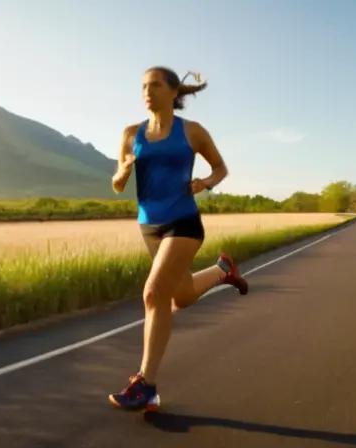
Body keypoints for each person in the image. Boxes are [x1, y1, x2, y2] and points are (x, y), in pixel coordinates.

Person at [108, 66, 249, 412]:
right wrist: (123, 172)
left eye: (155, 85)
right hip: (149, 225)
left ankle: (146, 385)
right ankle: (221, 270)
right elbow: (117, 183)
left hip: (183, 222)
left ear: (174, 92)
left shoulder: (193, 132)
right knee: (180, 297)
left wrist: (205, 183)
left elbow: (220, 168)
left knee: (154, 294)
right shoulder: (130, 134)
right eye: (143, 86)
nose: (147, 91)